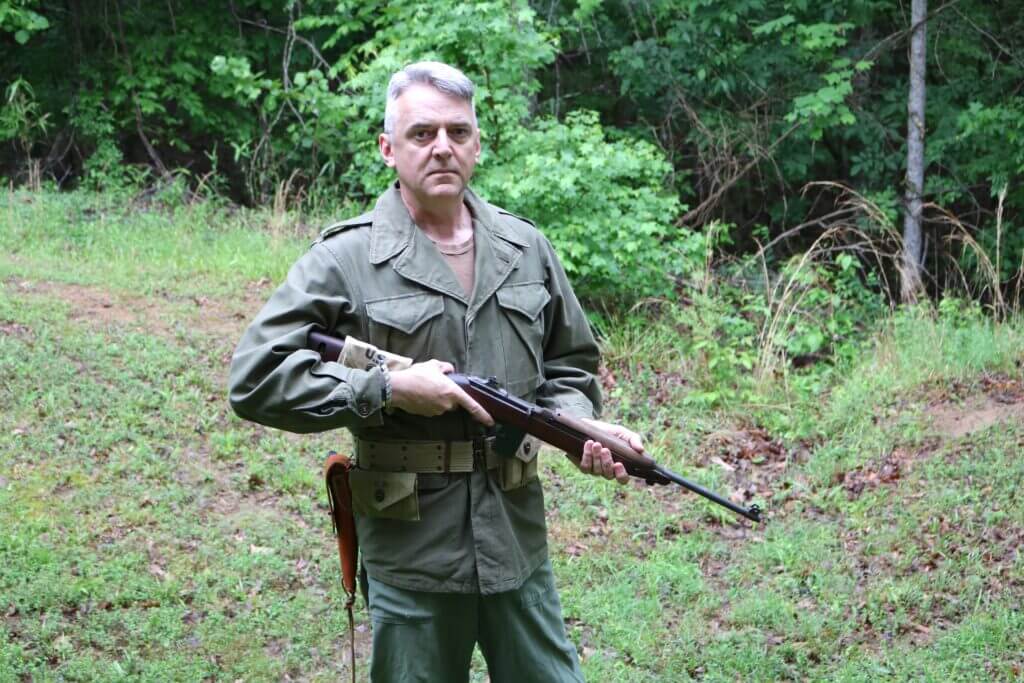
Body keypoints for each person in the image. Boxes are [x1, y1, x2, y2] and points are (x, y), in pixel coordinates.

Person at [228, 61, 645, 682]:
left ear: (477, 144)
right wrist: (388, 388)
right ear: (387, 149)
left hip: (515, 541)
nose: (442, 147)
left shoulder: (526, 248)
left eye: (458, 131)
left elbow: (571, 364)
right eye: (423, 133)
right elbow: (255, 377)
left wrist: (580, 426)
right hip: (413, 550)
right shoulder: (346, 258)